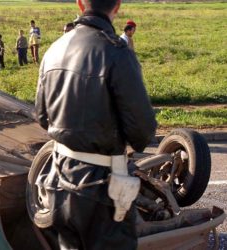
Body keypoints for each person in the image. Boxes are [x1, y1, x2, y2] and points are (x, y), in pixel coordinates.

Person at [34, 0, 157, 249]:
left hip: (58, 181)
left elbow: (42, 116)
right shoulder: (117, 53)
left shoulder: (54, 49)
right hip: (102, 191)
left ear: (80, 4)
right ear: (117, 6)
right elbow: (142, 132)